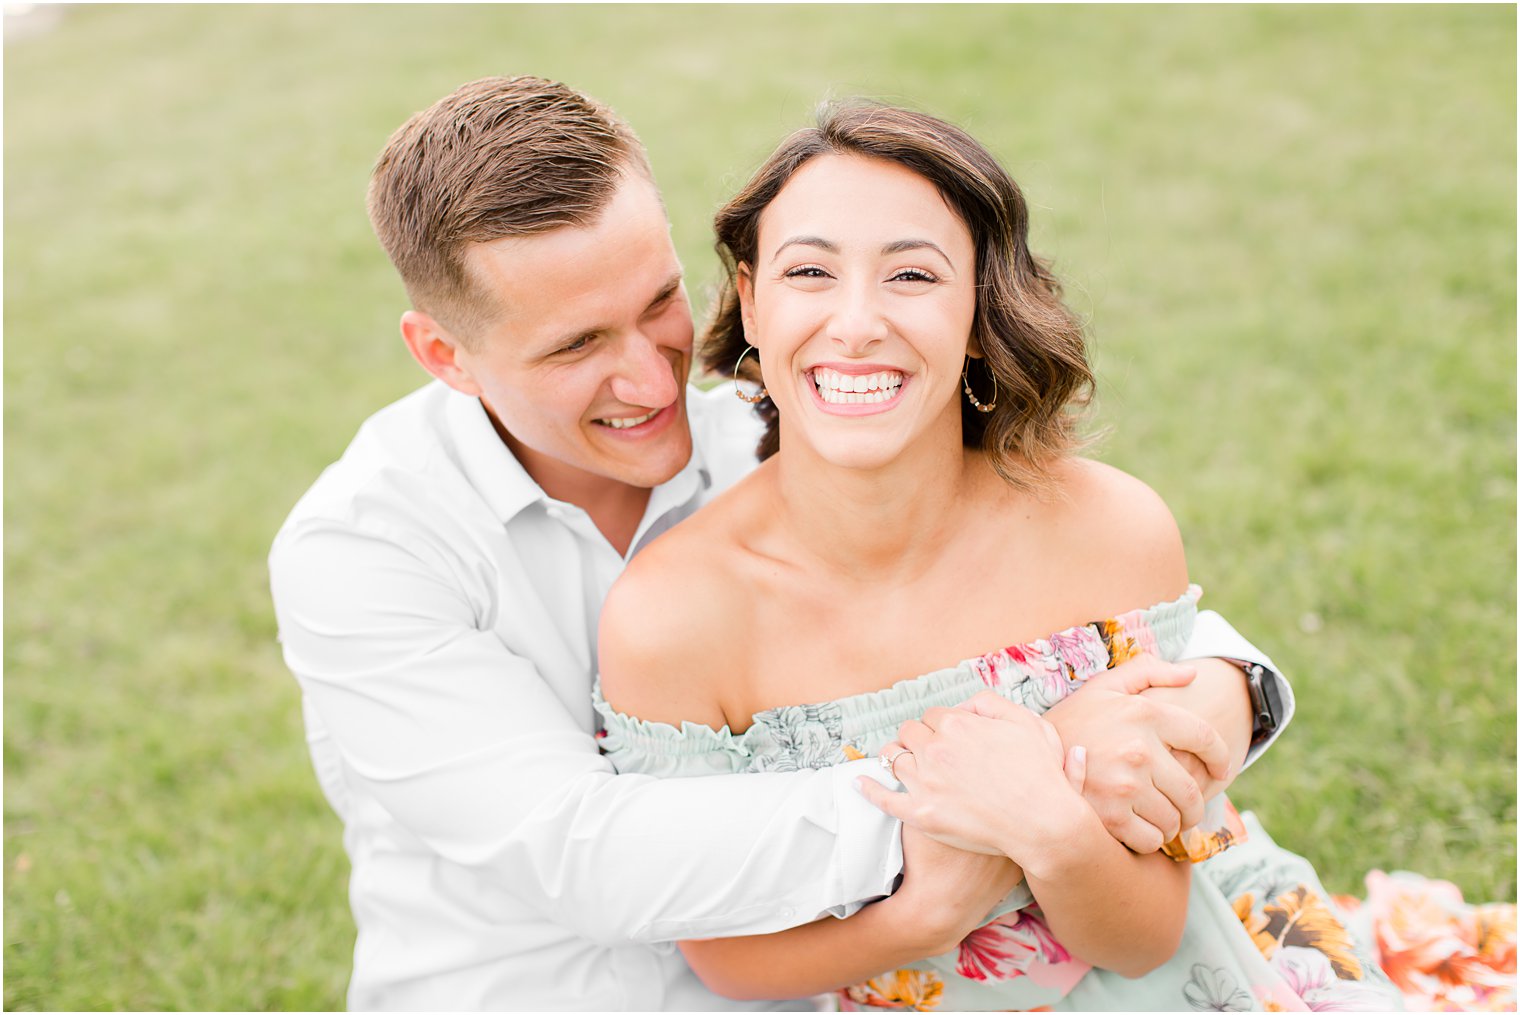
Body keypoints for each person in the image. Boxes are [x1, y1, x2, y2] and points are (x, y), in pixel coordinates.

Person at [270, 76, 1296, 1011]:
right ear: (443, 354)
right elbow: (585, 853)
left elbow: (1056, 608)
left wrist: (1223, 684)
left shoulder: (750, 438)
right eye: (578, 345)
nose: (648, 377)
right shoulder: (361, 552)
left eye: (659, 303)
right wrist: (1009, 791)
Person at [595, 102, 1406, 1010]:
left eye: (911, 274)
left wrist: (1052, 828)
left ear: (980, 305)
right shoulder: (671, 617)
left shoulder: (1108, 530)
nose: (855, 323)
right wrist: (928, 910)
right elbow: (727, 957)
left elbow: (1145, 937)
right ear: (752, 299)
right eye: (810, 271)